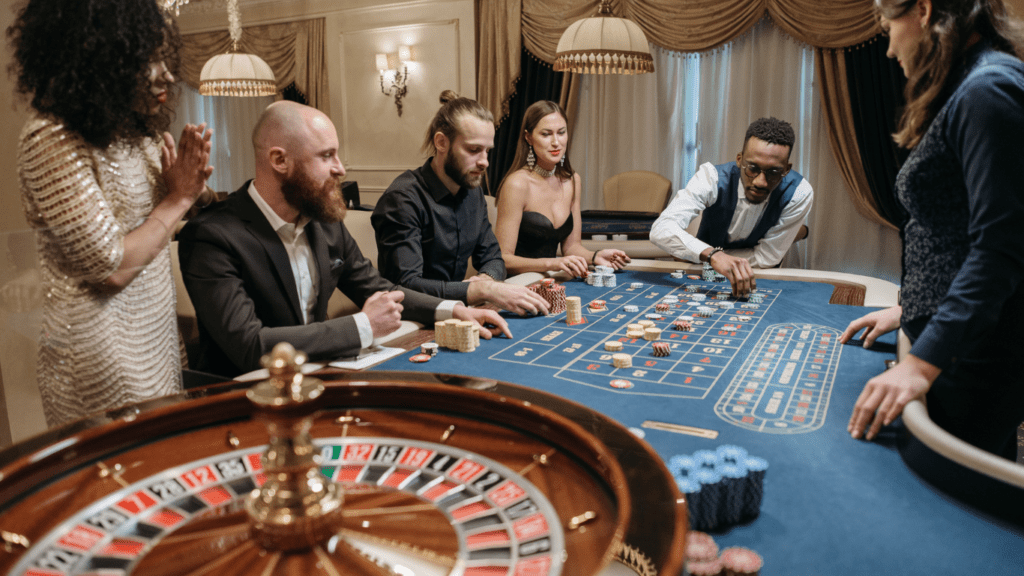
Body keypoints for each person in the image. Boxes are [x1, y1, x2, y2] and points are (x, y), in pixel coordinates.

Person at [177, 101, 511, 378]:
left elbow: (376, 288)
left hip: (316, 376)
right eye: (326, 156)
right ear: (280, 160)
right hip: (243, 396)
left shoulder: (324, 223)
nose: (340, 169)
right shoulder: (212, 235)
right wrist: (363, 326)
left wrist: (451, 309)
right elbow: (249, 345)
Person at [10, 0, 214, 427]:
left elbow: (159, 224)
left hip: (154, 342)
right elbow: (112, 267)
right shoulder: (51, 139)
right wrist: (177, 198)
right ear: (100, 59)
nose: (169, 75)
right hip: (98, 359)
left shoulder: (136, 135)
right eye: (147, 59)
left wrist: (191, 191)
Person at [840, 0, 1024, 460]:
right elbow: (952, 233)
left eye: (887, 24)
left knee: (955, 507)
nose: (887, 48)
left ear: (922, 11)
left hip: (973, 358)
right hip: (960, 346)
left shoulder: (989, 88)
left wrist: (921, 364)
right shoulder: (970, 86)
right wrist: (911, 307)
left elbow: (1001, 246)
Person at [372, 91, 551, 316]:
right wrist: (480, 290)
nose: (484, 161)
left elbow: (493, 257)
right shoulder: (402, 199)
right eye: (474, 150)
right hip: (409, 321)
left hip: (461, 313)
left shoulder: (472, 192)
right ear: (441, 143)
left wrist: (488, 279)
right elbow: (406, 287)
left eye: (488, 151)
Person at [650, 117, 813, 297]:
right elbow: (661, 228)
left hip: (757, 274)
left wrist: (698, 253)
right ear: (739, 159)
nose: (760, 182)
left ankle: (800, 231)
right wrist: (713, 256)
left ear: (786, 169)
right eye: (752, 168)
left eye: (773, 172)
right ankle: (800, 231)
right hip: (707, 268)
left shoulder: (799, 192)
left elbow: (766, 258)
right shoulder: (711, 177)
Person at [494, 100, 630, 276]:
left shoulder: (573, 181)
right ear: (529, 137)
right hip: (517, 285)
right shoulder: (517, 184)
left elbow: (572, 247)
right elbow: (503, 259)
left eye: (561, 133)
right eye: (546, 134)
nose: (556, 142)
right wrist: (553, 263)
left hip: (550, 281)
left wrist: (595, 256)